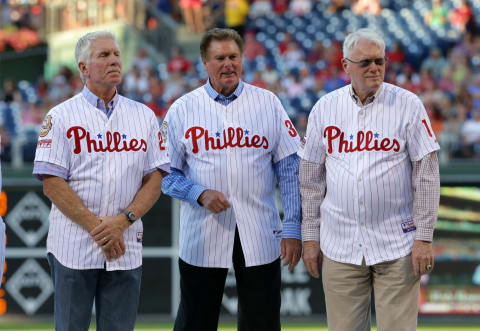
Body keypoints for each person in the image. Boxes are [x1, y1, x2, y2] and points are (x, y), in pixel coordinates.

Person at [299, 28, 440, 331]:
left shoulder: (408, 105)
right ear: (345, 65)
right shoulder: (325, 108)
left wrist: (424, 237)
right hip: (340, 243)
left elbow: (427, 175)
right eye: (365, 62)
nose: (374, 68)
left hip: (397, 242)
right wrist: (310, 238)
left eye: (380, 61)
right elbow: (310, 180)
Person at [161, 28, 302, 331]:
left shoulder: (268, 103)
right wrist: (198, 193)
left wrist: (292, 225)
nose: (228, 64)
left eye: (233, 57)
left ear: (242, 59)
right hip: (203, 231)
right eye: (220, 58)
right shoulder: (183, 109)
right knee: (194, 322)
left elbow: (290, 168)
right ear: (205, 62)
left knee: (262, 322)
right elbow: (165, 176)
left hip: (261, 229)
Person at [33, 31, 169, 331]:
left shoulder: (143, 116)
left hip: (125, 244)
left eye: (117, 54)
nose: (114, 61)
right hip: (73, 244)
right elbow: (52, 183)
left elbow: (155, 178)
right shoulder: (61, 117)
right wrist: (101, 229)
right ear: (83, 68)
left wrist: (123, 221)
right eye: (104, 55)